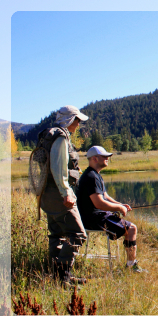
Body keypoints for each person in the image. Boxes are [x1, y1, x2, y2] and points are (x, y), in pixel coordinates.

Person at [37, 105, 89, 285]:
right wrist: (66, 193)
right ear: (70, 120)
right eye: (77, 120)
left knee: (56, 234)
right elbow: (58, 169)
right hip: (60, 196)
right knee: (78, 235)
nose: (79, 124)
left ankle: (56, 275)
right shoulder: (60, 137)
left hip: (47, 194)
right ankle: (63, 276)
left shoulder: (49, 136)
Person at [77, 146, 145, 272]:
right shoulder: (91, 177)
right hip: (93, 219)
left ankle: (131, 264)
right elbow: (99, 203)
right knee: (131, 229)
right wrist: (118, 207)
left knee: (130, 228)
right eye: (104, 156)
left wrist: (121, 205)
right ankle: (131, 266)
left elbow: (105, 196)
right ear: (94, 159)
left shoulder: (94, 175)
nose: (107, 158)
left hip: (97, 216)